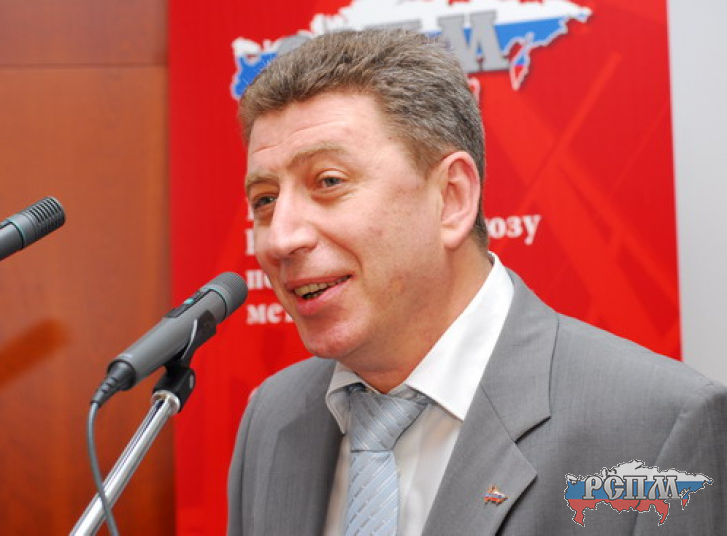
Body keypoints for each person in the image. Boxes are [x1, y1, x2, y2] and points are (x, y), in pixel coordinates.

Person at [228, 29, 726, 535]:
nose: (280, 239)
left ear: (452, 198)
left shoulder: (656, 425)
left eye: (329, 182)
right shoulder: (271, 416)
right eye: (264, 200)